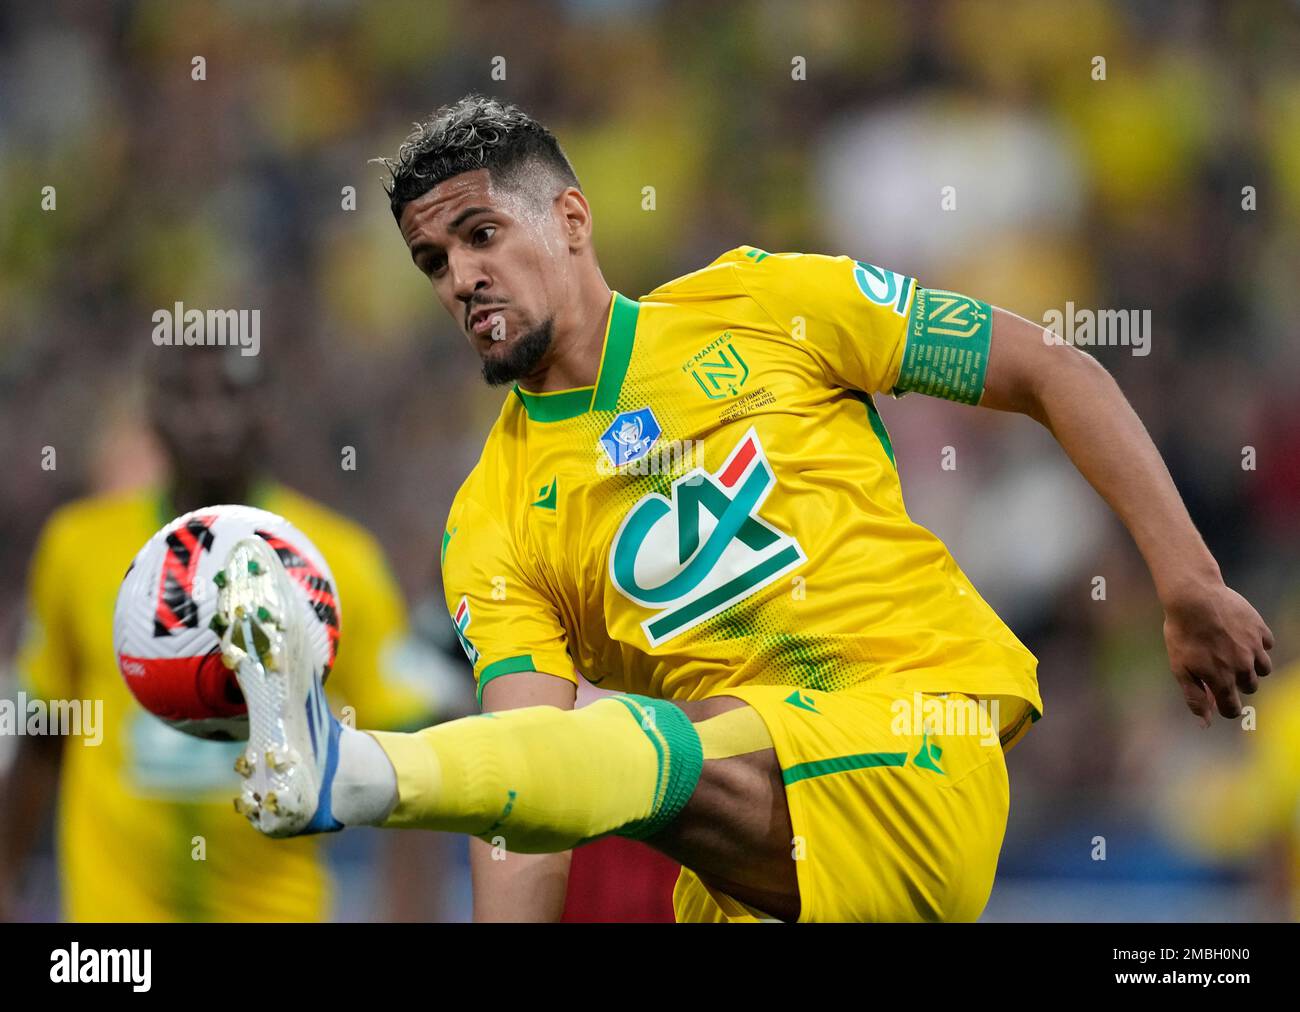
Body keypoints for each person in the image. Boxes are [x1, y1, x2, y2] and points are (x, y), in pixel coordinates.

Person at [207, 95, 1274, 923]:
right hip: (747, 871)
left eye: (481, 235)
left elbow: (1046, 367)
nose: (460, 278)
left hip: (911, 739)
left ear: (571, 218)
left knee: (622, 731)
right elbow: (525, 784)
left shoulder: (764, 305)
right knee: (571, 739)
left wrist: (1186, 581)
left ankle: (356, 766)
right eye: (433, 261)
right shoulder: (488, 517)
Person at [0, 346, 451, 922]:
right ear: (152, 414)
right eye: (185, 396)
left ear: (270, 411)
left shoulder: (340, 561)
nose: (209, 419)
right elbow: (44, 729)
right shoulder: (76, 548)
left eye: (231, 394)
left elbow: (403, 755)